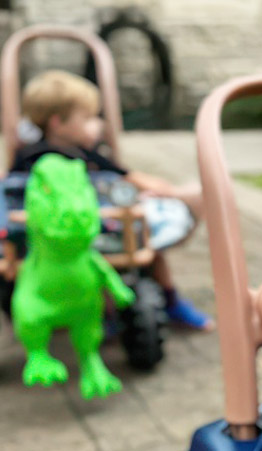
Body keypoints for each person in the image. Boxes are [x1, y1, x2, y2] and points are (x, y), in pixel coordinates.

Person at [10, 70, 213, 330]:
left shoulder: (33, 155)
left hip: (79, 236)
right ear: (58, 122)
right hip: (86, 238)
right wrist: (163, 190)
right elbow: (133, 179)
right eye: (87, 118)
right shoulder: (73, 156)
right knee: (142, 239)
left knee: (137, 235)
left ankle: (149, 304)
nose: (95, 124)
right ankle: (163, 302)